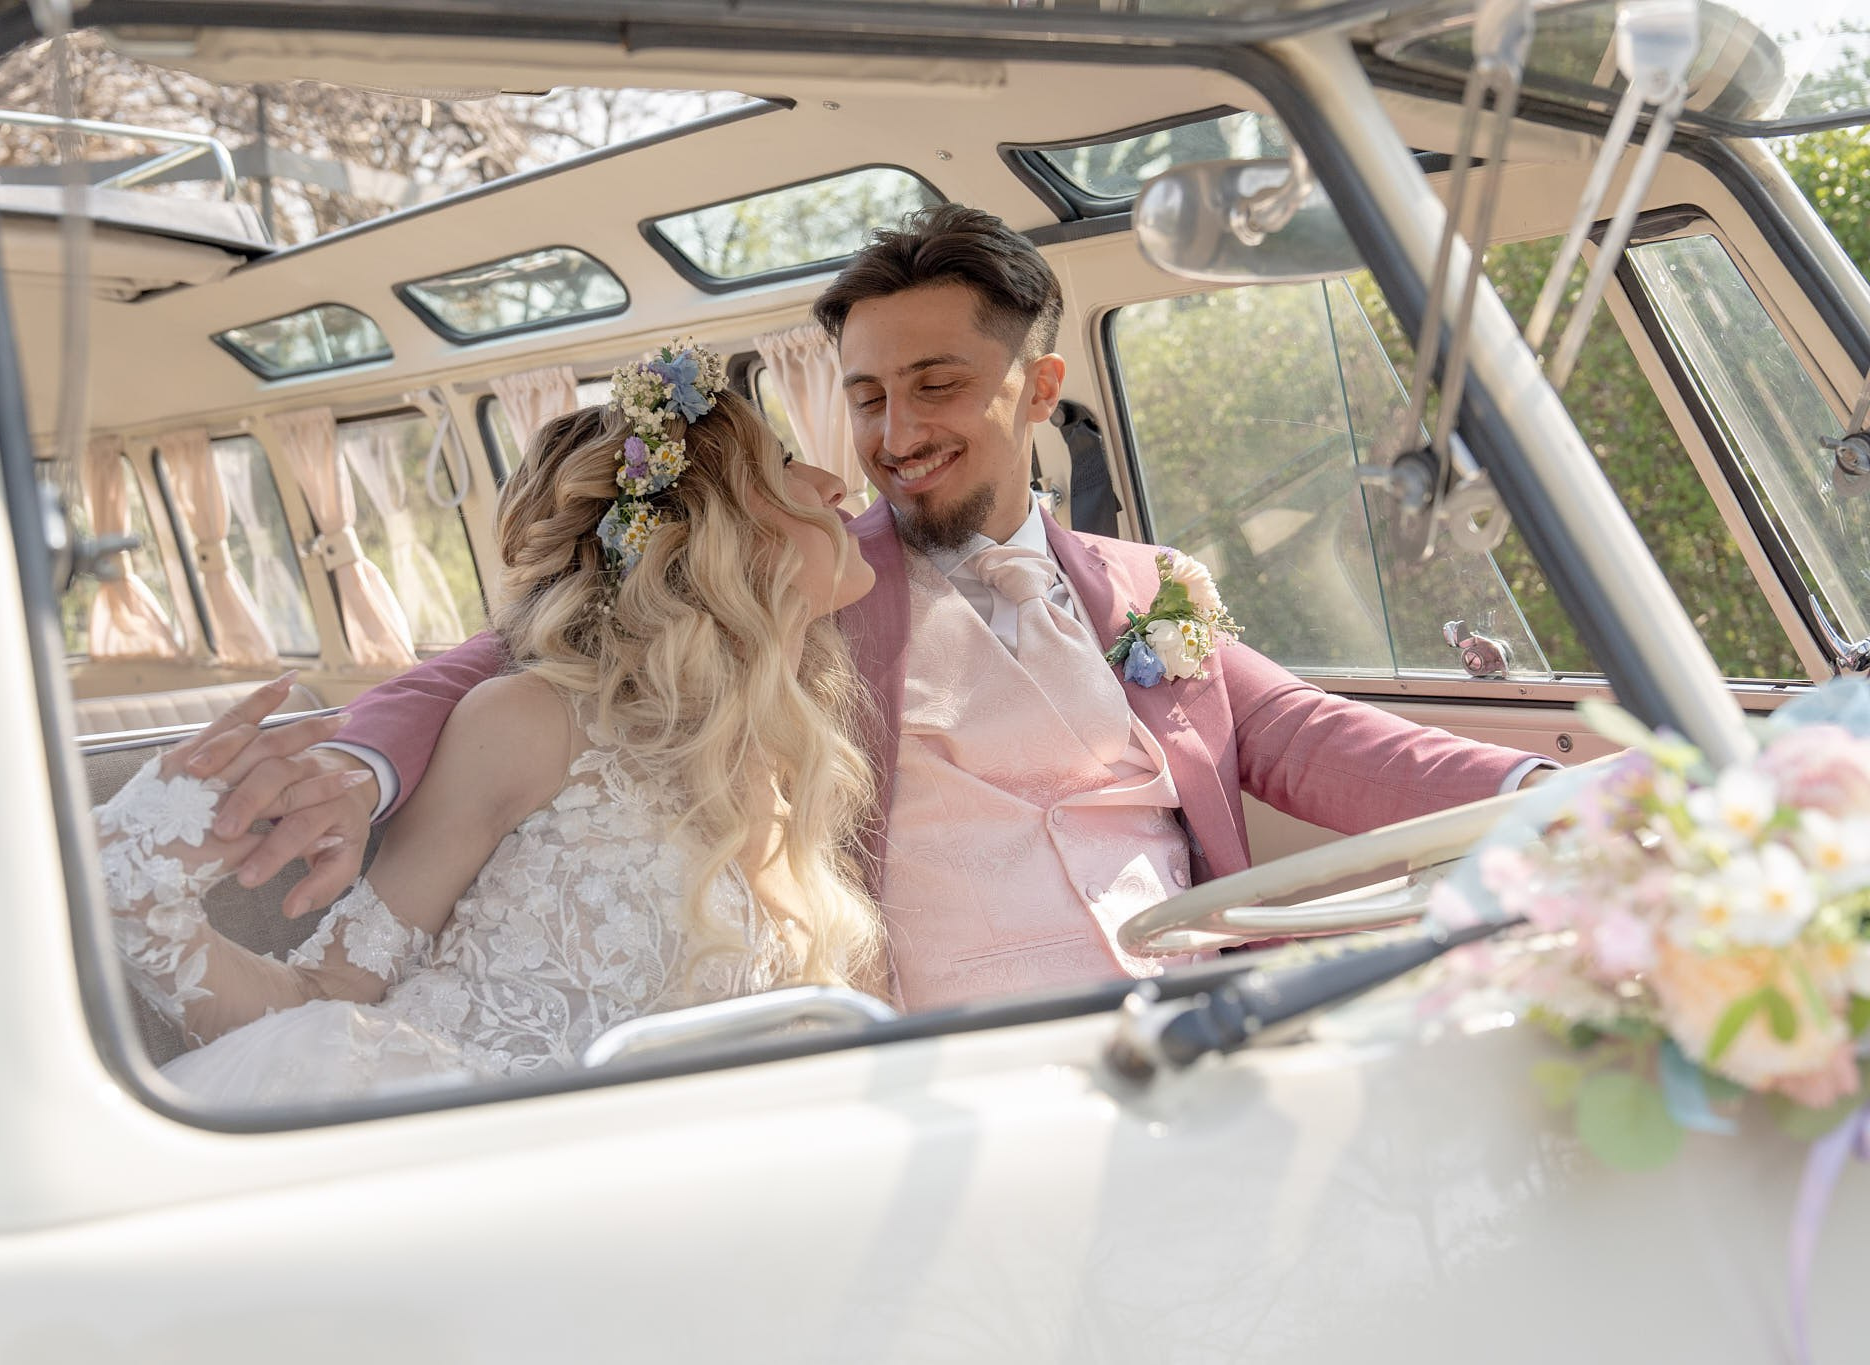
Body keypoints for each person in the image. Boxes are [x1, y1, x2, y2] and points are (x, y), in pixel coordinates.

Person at [254, 206, 1554, 1012]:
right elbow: (537, 641)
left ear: (1038, 389)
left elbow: (1325, 744)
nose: (892, 433)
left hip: (1187, 1011)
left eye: (936, 385)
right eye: (868, 396)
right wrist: (359, 760)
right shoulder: (801, 584)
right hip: (936, 1040)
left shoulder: (1157, 593)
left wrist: (1571, 793)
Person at [99, 343, 885, 1100]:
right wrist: (142, 896)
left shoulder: (791, 756)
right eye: (783, 465)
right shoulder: (534, 723)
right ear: (718, 527)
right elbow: (326, 993)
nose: (829, 482)